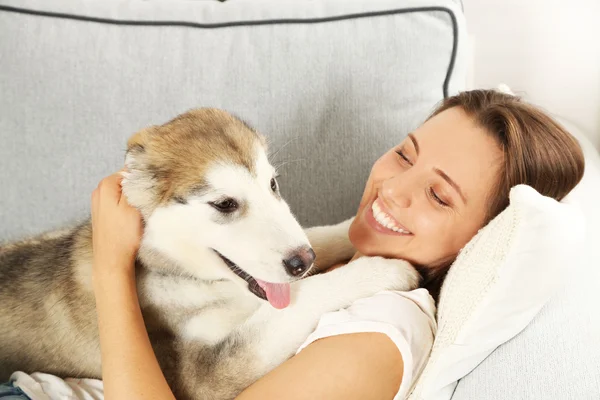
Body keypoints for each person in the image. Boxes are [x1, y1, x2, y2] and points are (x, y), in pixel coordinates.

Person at [4, 90, 585, 400]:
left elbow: (211, 375)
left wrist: (109, 267)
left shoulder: (383, 329)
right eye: (405, 154)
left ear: (480, 238)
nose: (393, 187)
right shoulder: (351, 259)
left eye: (438, 196)